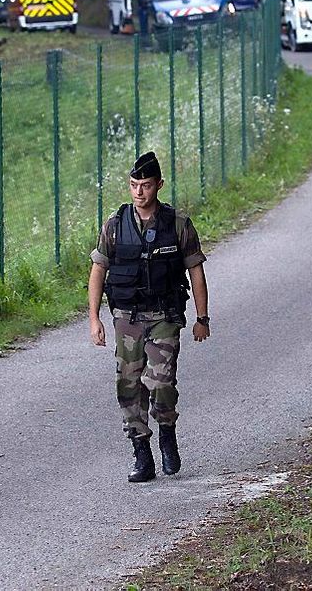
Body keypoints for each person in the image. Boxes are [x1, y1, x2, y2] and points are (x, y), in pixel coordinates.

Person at [87, 151, 211, 483]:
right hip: (127, 318)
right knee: (128, 384)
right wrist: (94, 318)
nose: (139, 192)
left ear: (159, 185)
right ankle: (142, 452)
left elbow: (196, 271)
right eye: (133, 185)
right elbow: (99, 270)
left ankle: (167, 432)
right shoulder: (115, 226)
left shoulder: (178, 225)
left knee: (162, 381)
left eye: (145, 185)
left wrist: (202, 317)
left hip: (165, 315)